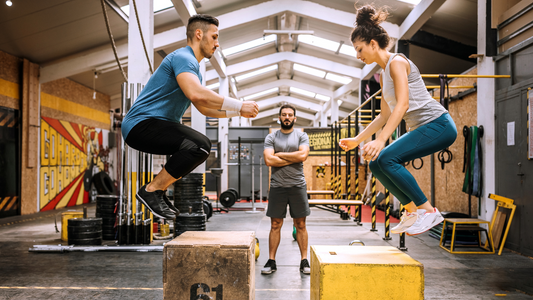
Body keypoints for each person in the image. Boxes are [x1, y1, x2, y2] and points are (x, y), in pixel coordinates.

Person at [122, 14, 259, 220]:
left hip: (154, 127)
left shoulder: (193, 68)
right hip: (140, 125)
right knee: (199, 145)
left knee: (198, 147)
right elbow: (197, 94)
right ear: (198, 34)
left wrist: (238, 112)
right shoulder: (183, 58)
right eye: (214, 37)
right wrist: (239, 104)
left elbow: (203, 108)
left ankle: (157, 191)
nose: (217, 44)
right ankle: (152, 190)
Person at [339, 5, 457, 236]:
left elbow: (402, 105)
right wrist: (359, 139)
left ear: (373, 43)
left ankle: (427, 211)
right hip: (425, 127)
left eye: (359, 49)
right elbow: (384, 115)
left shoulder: (397, 63)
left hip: (438, 124)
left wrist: (381, 140)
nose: (358, 55)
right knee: (376, 164)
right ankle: (411, 210)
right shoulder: (383, 75)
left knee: (387, 157)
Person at [262, 104, 311, 275]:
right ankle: (271, 260)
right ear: (279, 117)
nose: (287, 117)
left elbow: (303, 156)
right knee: (275, 224)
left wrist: (279, 154)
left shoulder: (302, 135)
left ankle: (304, 260)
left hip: (298, 185)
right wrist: (293, 157)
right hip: (277, 186)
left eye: (290, 115)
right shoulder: (271, 137)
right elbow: (269, 161)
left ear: (295, 118)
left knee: (301, 224)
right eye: (284, 115)